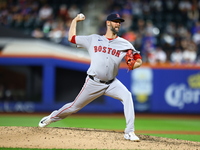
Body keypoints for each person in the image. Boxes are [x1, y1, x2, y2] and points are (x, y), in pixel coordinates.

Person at [38, 13, 142, 141]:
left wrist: (134, 65)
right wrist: (75, 20)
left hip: (112, 83)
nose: (118, 24)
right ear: (108, 23)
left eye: (119, 22)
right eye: (115, 21)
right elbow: (72, 38)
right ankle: (51, 118)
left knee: (127, 96)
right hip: (94, 82)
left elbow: (138, 61)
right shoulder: (93, 39)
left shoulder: (125, 44)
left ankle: (129, 132)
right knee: (73, 107)